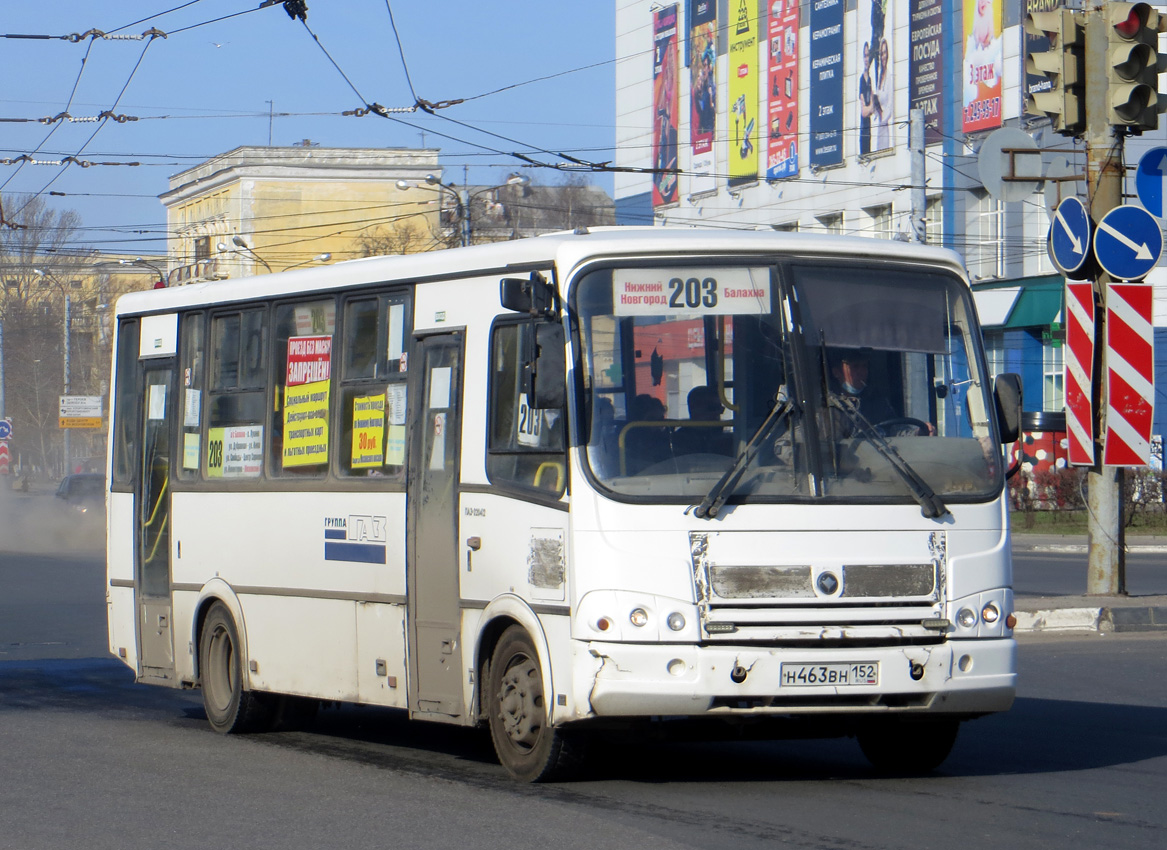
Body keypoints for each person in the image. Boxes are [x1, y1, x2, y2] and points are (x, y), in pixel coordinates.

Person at [828, 350, 896, 434]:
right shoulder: (828, 407)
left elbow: (896, 429)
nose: (862, 372)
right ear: (836, 372)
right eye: (855, 366)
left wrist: (913, 433)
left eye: (865, 366)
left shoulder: (877, 402)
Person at [673, 385, 732, 456]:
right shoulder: (678, 441)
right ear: (694, 409)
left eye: (720, 408)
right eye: (712, 408)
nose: (719, 412)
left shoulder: (727, 440)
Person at [858, 42, 873, 157]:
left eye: (868, 55)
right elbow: (864, 111)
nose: (866, 59)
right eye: (864, 56)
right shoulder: (862, 79)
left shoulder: (872, 78)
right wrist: (871, 106)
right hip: (865, 125)